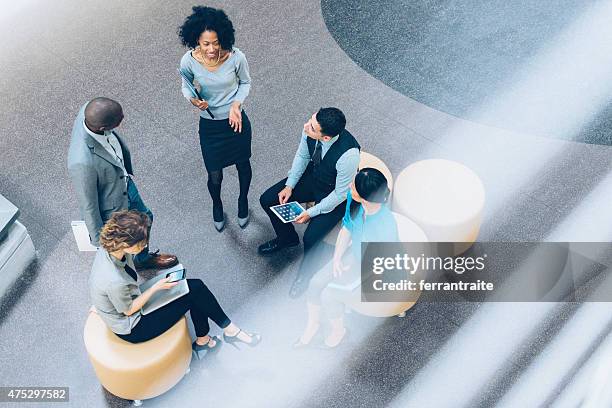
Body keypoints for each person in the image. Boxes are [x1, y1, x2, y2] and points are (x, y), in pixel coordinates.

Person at [90, 210, 260, 358]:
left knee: (195, 288)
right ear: (126, 243)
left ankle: (212, 337)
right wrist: (156, 288)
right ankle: (222, 334)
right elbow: (128, 310)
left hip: (131, 301)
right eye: (141, 245)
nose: (143, 248)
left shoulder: (111, 249)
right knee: (195, 293)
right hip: (134, 327)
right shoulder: (114, 280)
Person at [258, 107, 360, 298]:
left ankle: (305, 275)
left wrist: (310, 213)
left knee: (311, 237)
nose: (306, 126)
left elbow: (339, 194)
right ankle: (287, 238)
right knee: (268, 199)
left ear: (326, 138)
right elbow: (303, 156)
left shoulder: (349, 155)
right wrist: (289, 185)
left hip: (333, 193)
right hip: (315, 177)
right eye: (310, 121)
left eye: (312, 127)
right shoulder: (309, 130)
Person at [67, 97, 177, 270]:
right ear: (103, 128)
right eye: (119, 119)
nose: (123, 117)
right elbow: (88, 204)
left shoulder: (90, 110)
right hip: (113, 204)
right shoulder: (82, 162)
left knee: (146, 218)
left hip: (123, 182)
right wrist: (100, 241)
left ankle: (141, 258)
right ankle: (135, 264)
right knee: (129, 237)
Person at [295, 168, 398, 348]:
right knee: (315, 282)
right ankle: (313, 324)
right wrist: (337, 259)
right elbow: (347, 228)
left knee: (329, 295)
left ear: (365, 197)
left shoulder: (385, 226)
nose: (350, 186)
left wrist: (352, 273)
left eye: (354, 186)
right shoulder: (355, 201)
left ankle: (338, 331)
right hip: (356, 255)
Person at [178, 6, 253, 232]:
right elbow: (186, 87)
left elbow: (245, 83)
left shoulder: (236, 57)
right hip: (210, 126)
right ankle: (217, 204)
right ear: (196, 41)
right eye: (205, 44)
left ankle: (243, 200)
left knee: (243, 164)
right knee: (214, 173)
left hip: (236, 120)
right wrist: (194, 101)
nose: (211, 49)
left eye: (216, 42)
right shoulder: (188, 61)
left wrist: (236, 105)